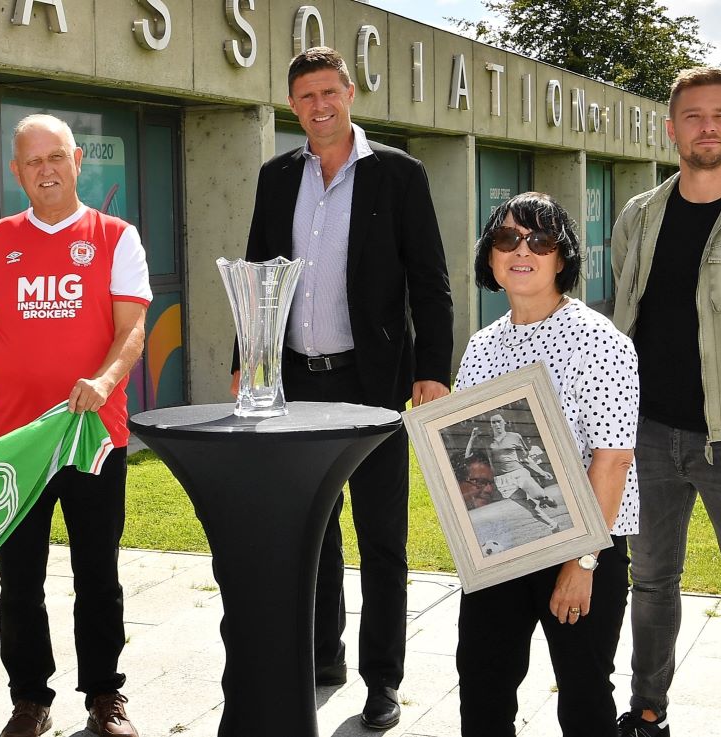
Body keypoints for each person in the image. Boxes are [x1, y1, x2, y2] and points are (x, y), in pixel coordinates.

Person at [232, 47, 452, 730]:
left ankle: (381, 680)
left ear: (350, 93)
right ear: (291, 104)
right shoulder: (276, 177)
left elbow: (431, 282)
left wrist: (433, 370)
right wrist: (248, 354)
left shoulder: (399, 175)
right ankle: (321, 656)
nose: (319, 107)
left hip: (374, 380)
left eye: (329, 92)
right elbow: (257, 271)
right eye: (305, 97)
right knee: (311, 527)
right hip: (294, 378)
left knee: (381, 536)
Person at [0, 114, 151, 737]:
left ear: (76, 162)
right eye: (32, 161)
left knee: (99, 574)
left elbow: (131, 332)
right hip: (18, 444)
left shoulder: (116, 237)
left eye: (56, 158)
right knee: (19, 579)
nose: (45, 169)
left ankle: (104, 697)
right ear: (16, 172)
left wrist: (103, 381)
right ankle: (30, 699)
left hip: (95, 437)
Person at [610, 67, 721, 737]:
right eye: (693, 115)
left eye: (720, 114)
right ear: (670, 128)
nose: (707, 126)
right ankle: (648, 711)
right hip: (649, 434)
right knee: (649, 583)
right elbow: (624, 315)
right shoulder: (640, 214)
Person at [454, 192, 638, 736]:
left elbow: (613, 459)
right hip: (502, 550)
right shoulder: (482, 346)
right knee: (482, 687)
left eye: (540, 240)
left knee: (583, 694)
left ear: (563, 258)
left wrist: (581, 566)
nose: (522, 250)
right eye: (507, 238)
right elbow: (467, 454)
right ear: (491, 256)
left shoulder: (600, 342)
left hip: (583, 549)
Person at [464, 415, 561, 530]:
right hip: (502, 480)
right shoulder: (487, 441)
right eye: (493, 422)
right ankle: (553, 525)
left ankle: (546, 499)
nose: (497, 424)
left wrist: (542, 472)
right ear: (491, 425)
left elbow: (525, 458)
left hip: (519, 473)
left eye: (499, 421)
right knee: (530, 507)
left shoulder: (515, 437)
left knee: (539, 496)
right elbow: (467, 455)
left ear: (504, 422)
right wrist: (472, 437)